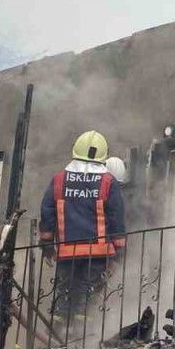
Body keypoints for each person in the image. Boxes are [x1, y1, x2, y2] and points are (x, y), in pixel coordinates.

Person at [39, 131, 127, 318]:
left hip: (66, 252)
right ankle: (81, 329)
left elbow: (47, 211)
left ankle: (59, 327)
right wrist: (119, 249)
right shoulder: (108, 182)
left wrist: (46, 244)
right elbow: (116, 216)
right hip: (97, 254)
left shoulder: (59, 179)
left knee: (65, 294)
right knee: (88, 299)